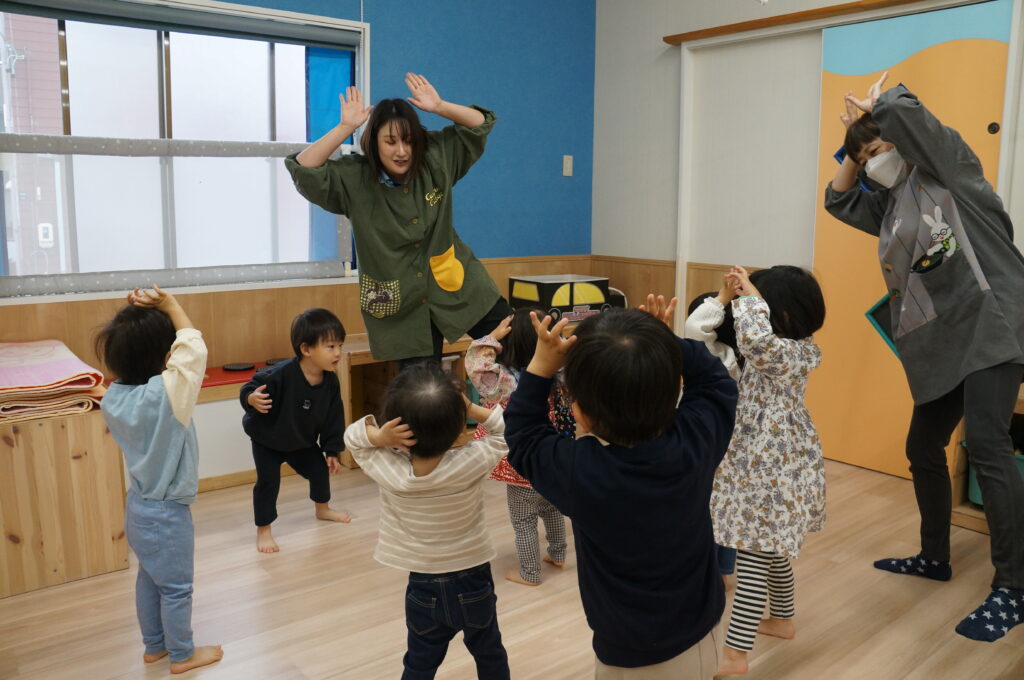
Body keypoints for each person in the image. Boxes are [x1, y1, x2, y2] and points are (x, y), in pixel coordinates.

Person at [825, 73, 1024, 642]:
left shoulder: (951, 171)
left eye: (881, 148)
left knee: (987, 444)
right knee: (922, 446)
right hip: (943, 341)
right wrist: (853, 147)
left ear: (905, 139)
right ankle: (934, 556)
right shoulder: (889, 206)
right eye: (866, 157)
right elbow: (839, 200)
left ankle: (1014, 587)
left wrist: (880, 107)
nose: (875, 160)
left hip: (991, 323)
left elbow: (914, 122)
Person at [504, 296, 738, 679]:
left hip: (630, 655)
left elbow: (524, 436)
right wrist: (661, 342)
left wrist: (540, 367)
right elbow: (715, 381)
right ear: (673, 390)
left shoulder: (580, 473)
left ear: (581, 414)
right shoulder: (696, 441)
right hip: (704, 630)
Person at [285, 73, 512, 368]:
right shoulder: (354, 178)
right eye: (390, 142)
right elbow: (304, 168)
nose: (402, 151)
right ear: (374, 142)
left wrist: (439, 106)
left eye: (408, 141)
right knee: (421, 387)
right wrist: (345, 127)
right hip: (399, 305)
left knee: (519, 342)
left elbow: (479, 124)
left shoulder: (435, 159)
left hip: (458, 286)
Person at [344, 363, 511, 679]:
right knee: (489, 651)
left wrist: (379, 436)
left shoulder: (390, 471)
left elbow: (352, 438)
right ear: (458, 426)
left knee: (419, 662)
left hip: (423, 585)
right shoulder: (470, 463)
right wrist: (471, 408)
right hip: (473, 578)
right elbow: (508, 430)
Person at [96, 286, 223, 675]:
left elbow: (177, 356)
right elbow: (193, 349)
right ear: (165, 357)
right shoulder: (168, 395)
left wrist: (136, 326)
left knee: (150, 579)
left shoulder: (113, 397)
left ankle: (155, 647)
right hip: (167, 513)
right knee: (176, 588)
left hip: (137, 506)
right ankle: (182, 655)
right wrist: (170, 305)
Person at [709, 265, 826, 677]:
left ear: (783, 315)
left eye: (763, 306)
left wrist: (750, 300)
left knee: (753, 556)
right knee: (771, 548)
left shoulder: (789, 353)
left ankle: (735, 655)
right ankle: (782, 618)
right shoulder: (794, 348)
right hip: (767, 462)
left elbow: (756, 342)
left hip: (771, 467)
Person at [465, 308, 573, 586]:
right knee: (552, 507)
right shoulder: (560, 374)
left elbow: (476, 364)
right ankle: (558, 554)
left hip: (521, 464)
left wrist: (491, 337)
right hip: (551, 456)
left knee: (524, 520)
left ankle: (530, 572)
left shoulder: (504, 380)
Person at [239, 308, 351, 553]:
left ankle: (322, 509)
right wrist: (250, 399)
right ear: (306, 349)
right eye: (330, 346)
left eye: (339, 346)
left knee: (319, 471)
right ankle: (264, 530)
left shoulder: (330, 381)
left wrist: (332, 450)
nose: (338, 353)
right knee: (268, 483)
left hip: (301, 441)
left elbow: (334, 416)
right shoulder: (279, 374)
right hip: (267, 439)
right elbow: (250, 387)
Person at [685, 284, 744, 588]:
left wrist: (723, 298)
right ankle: (722, 570)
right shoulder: (744, 355)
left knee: (705, 508)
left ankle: (709, 572)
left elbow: (694, 328)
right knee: (726, 507)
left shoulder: (718, 356)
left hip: (710, 442)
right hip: (734, 445)